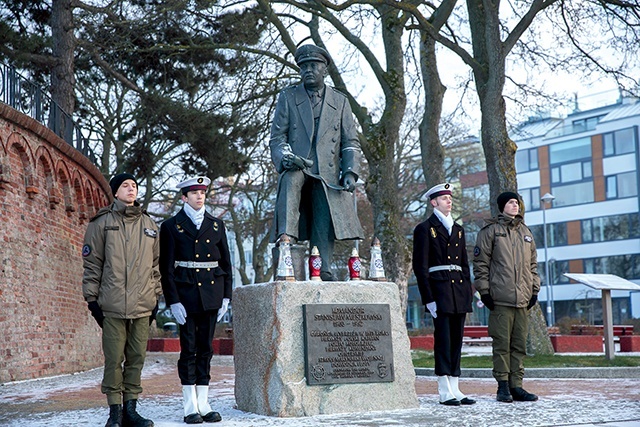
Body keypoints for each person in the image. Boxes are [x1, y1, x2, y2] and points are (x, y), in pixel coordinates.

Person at [269, 44, 364, 281]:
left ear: (324, 70)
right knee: (290, 180)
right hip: (298, 164)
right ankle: (286, 246)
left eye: (313, 66)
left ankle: (323, 267)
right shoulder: (288, 97)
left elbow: (350, 142)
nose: (308, 70)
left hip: (327, 172)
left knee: (324, 207)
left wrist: (350, 171)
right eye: (304, 67)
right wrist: (285, 157)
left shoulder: (340, 101)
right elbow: (277, 138)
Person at [82, 173, 161, 427]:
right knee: (114, 359)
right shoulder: (101, 223)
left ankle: (131, 409)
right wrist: (92, 301)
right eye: (125, 186)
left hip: (142, 306)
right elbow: (92, 264)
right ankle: (115, 411)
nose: (131, 189)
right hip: (112, 305)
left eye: (134, 185)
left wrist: (155, 298)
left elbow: (155, 266)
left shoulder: (149, 224)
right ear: (115, 192)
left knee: (137, 358)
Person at [159, 176, 232, 424]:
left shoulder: (216, 225)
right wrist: (173, 301)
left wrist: (226, 297)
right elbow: (166, 268)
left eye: (202, 192)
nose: (199, 196)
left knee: (206, 349)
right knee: (188, 350)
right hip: (186, 295)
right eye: (194, 193)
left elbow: (226, 264)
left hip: (212, 294)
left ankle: (204, 402)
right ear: (184, 197)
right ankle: (190, 405)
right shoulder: (171, 226)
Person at [473, 191, 540, 403]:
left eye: (517, 203)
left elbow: (533, 265)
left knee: (519, 345)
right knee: (502, 344)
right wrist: (484, 291)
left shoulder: (526, 232)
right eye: (511, 202)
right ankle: (502, 387)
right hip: (500, 297)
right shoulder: (490, 231)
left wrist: (534, 290)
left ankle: (516, 386)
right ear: (502, 206)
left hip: (522, 299)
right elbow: (481, 264)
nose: (515, 206)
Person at [412, 183, 475, 406]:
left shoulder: (458, 229)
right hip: (439, 291)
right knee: (444, 340)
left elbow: (465, 266)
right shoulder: (425, 228)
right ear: (433, 202)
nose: (449, 201)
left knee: (457, 340)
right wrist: (428, 298)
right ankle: (443, 389)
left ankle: (455, 387)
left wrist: (468, 293)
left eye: (450, 198)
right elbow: (420, 267)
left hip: (457, 291)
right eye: (444, 198)